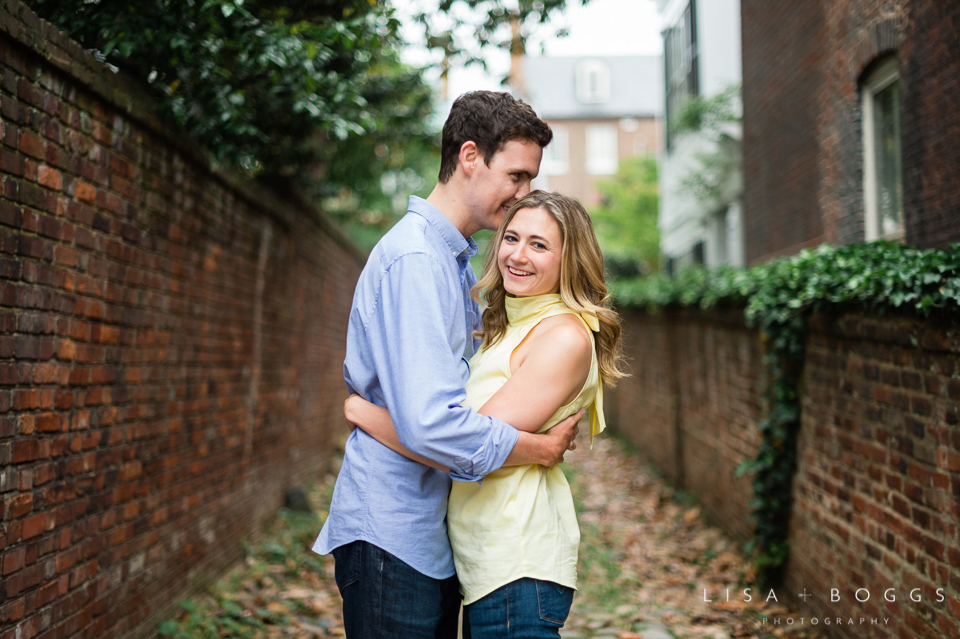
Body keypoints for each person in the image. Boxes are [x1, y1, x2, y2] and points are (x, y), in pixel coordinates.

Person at [312, 92, 585, 639]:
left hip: (428, 536)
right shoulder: (417, 260)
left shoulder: (450, 261)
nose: (523, 194)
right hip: (395, 533)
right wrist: (537, 447)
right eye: (516, 175)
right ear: (468, 157)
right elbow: (432, 424)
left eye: (531, 179)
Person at [345, 190, 625, 638]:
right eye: (511, 238)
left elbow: (459, 444)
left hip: (516, 563)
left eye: (539, 245)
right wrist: (538, 447)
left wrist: (363, 411)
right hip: (485, 566)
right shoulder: (508, 327)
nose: (517, 254)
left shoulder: (563, 335)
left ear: (569, 260)